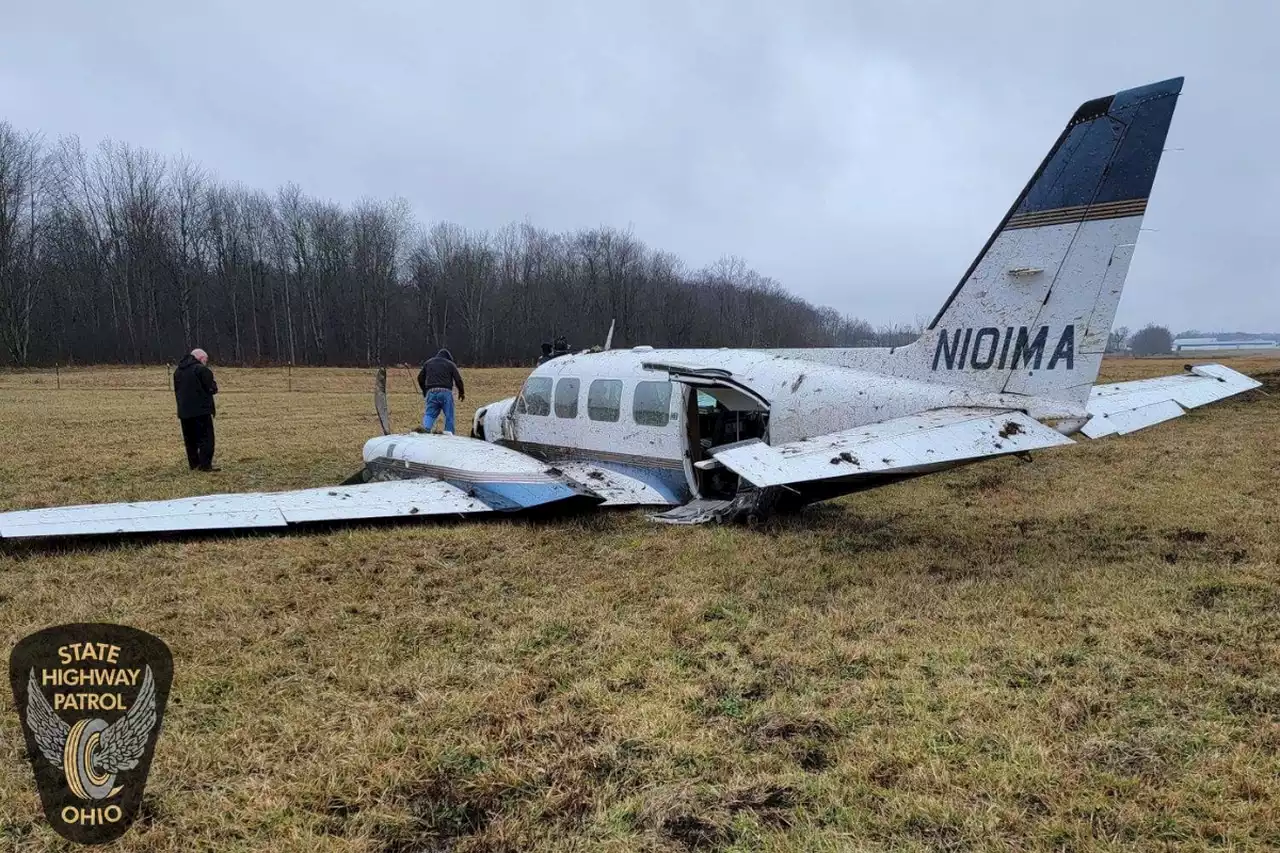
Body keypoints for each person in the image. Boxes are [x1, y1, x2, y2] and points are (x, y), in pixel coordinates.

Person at [173, 348, 219, 471]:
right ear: (200, 358)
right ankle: (205, 465)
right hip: (202, 411)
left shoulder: (178, 371)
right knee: (206, 438)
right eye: (206, 359)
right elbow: (212, 388)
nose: (206, 362)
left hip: (184, 411)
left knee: (190, 440)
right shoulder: (202, 370)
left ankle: (194, 464)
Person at [416, 348, 465, 434]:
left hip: (431, 392)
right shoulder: (450, 364)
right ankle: (449, 435)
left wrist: (424, 390)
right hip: (445, 392)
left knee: (429, 414)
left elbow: (420, 378)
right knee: (449, 416)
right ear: (448, 358)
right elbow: (458, 380)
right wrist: (461, 392)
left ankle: (425, 432)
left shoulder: (428, 363)